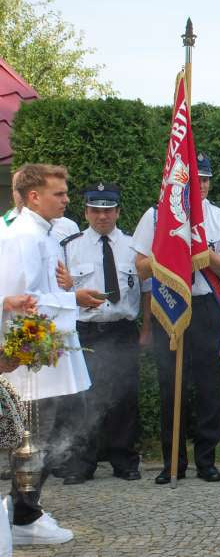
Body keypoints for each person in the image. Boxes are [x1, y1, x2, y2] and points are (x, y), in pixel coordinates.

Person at [0, 164, 104, 545]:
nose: (65, 200)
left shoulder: (41, 233)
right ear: (33, 197)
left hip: (48, 350)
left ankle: (27, 508)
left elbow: (41, 292)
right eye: (58, 194)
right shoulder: (23, 236)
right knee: (36, 436)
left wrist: (71, 297)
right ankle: (24, 519)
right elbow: (22, 301)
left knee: (47, 432)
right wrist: (72, 299)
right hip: (31, 358)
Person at [133, 152, 220, 484]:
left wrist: (203, 254)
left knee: (209, 389)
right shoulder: (155, 217)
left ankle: (206, 461)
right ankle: (173, 464)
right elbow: (140, 268)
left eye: (206, 179)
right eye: (196, 180)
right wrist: (169, 253)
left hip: (206, 309)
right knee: (171, 388)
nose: (203, 185)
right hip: (168, 306)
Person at [61, 183, 150, 483]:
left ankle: (124, 460)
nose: (102, 216)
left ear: (118, 212)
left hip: (121, 329)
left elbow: (147, 291)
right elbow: (60, 292)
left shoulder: (133, 246)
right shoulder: (68, 247)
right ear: (86, 211)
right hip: (84, 332)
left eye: (108, 210)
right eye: (96, 210)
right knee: (82, 398)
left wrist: (147, 328)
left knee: (125, 397)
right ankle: (81, 463)